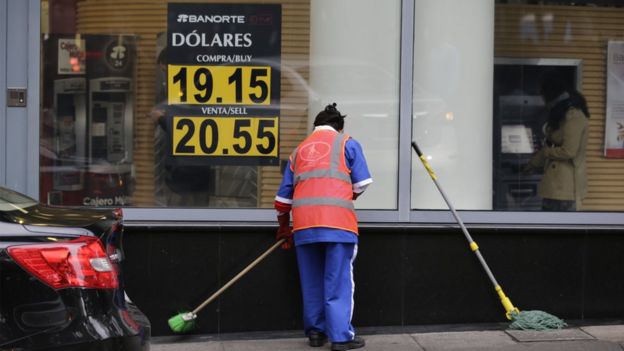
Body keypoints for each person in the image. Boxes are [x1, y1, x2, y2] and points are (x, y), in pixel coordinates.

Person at [274, 103, 372, 350]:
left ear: (315, 127)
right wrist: (347, 194)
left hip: (304, 227)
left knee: (312, 281)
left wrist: (284, 228)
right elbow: (362, 183)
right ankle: (341, 337)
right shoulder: (346, 143)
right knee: (337, 280)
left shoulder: (299, 151)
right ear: (339, 128)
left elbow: (282, 199)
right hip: (338, 225)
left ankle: (316, 333)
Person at [523, 71, 590, 211]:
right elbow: (549, 146)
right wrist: (531, 164)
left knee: (562, 229)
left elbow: (569, 151)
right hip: (554, 186)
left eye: (545, 97)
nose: (544, 103)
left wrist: (547, 153)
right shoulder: (562, 115)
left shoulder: (574, 116)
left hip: (565, 188)